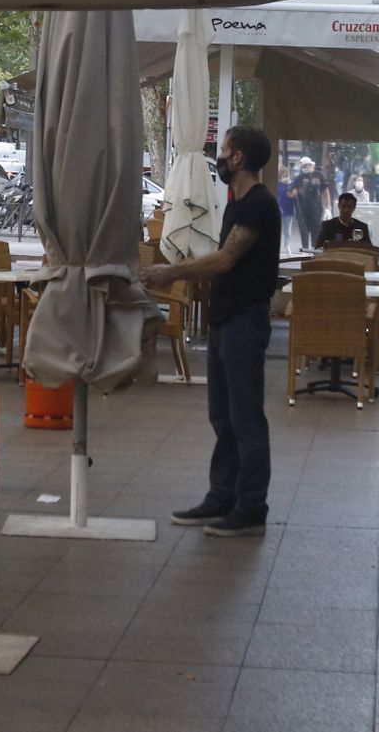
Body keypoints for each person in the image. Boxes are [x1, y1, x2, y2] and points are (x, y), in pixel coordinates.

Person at [140, 125, 280, 538]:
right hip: (225, 320)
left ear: (238, 158)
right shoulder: (237, 202)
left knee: (246, 418)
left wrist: (172, 270)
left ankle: (251, 507)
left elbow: (225, 260)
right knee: (223, 416)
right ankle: (222, 496)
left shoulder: (258, 204)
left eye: (223, 150)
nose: (218, 157)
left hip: (244, 322)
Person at [291, 156, 330, 252]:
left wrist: (328, 206)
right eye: (303, 166)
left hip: (317, 209)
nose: (304, 168)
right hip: (302, 210)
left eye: (306, 165)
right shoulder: (299, 178)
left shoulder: (319, 175)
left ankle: (314, 250)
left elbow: (326, 191)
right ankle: (304, 251)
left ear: (311, 165)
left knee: (316, 231)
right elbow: (294, 192)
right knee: (304, 232)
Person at [276, 166, 297, 252]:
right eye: (282, 172)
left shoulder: (292, 183)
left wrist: (291, 189)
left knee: (287, 230)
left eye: (285, 172)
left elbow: (294, 194)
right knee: (279, 229)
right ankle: (279, 246)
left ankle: (287, 245)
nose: (284, 174)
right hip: (280, 208)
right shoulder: (277, 184)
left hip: (289, 209)